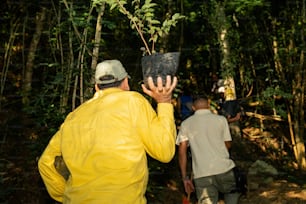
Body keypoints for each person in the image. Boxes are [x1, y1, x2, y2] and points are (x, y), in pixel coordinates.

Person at [38, 59, 178, 204]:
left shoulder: (74, 116)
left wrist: (66, 196)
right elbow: (164, 151)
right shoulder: (132, 102)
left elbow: (46, 163)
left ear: (97, 87)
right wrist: (164, 102)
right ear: (125, 83)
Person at [177, 95, 240, 204]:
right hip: (225, 169)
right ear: (209, 105)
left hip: (202, 174)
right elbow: (228, 145)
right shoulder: (221, 120)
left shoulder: (186, 124)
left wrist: (185, 177)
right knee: (232, 195)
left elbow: (182, 151)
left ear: (193, 108)